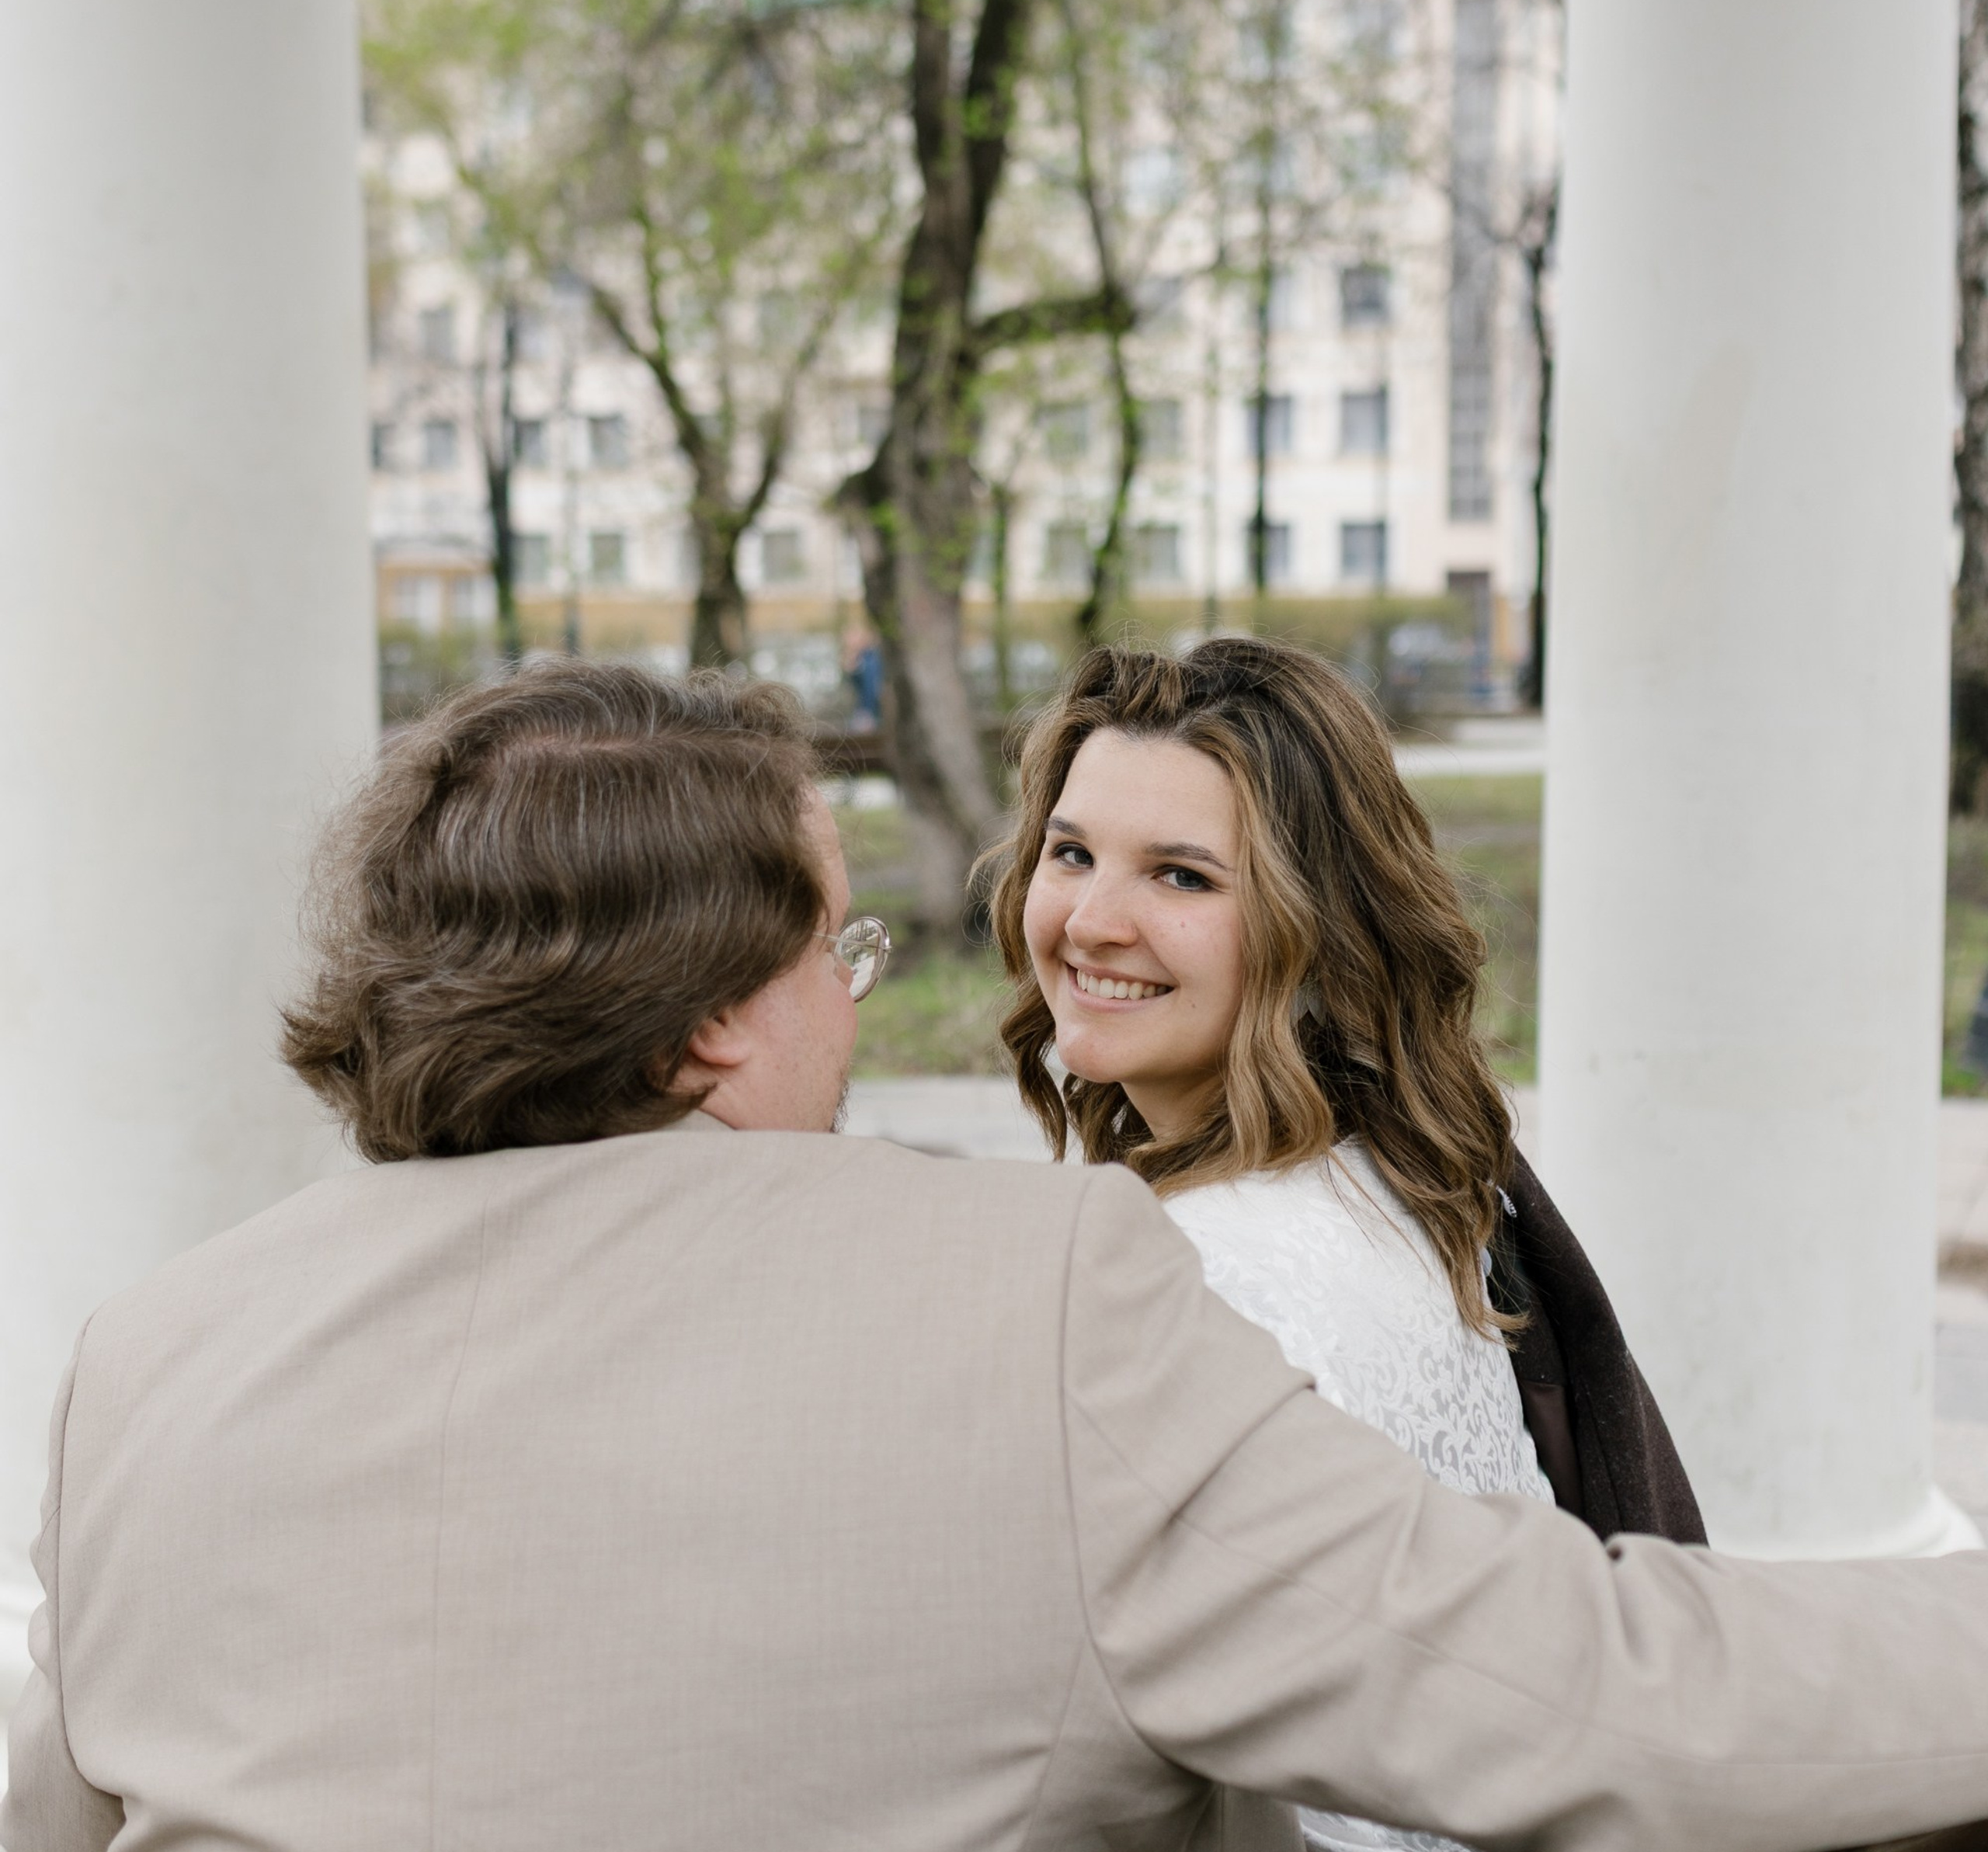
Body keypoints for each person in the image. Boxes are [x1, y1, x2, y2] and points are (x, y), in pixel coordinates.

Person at [7, 658, 1988, 1852]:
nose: (856, 1008)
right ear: (712, 1019)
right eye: (835, 952)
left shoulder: (148, 1361)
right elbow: (1597, 1691)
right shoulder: (1032, 1301)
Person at [983, 637, 1704, 1850]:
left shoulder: (1214, 1279)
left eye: (1183, 879)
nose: (1092, 921)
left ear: (1314, 928)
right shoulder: (1389, 1159)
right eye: (1072, 853)